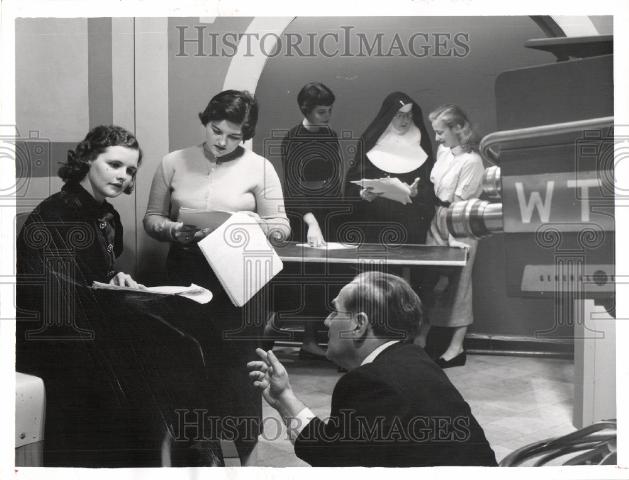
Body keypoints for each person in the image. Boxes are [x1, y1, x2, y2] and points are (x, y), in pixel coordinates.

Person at [143, 90, 290, 464]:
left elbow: (281, 226)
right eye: (216, 130)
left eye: (235, 136)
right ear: (205, 121)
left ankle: (245, 464)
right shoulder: (173, 162)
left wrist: (253, 224)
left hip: (241, 276)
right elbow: (151, 219)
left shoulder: (260, 168)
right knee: (185, 370)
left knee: (240, 376)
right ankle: (191, 460)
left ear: (246, 134)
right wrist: (174, 230)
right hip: (186, 275)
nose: (222, 141)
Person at [248, 272, 497, 467]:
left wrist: (285, 399)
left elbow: (330, 461)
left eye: (335, 312)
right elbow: (335, 448)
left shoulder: (370, 382)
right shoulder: (414, 358)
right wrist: (284, 396)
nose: (326, 321)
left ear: (359, 325)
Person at [414, 105, 485, 368]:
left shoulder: (473, 161)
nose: (437, 138)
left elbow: (458, 202)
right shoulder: (444, 152)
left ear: (457, 129)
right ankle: (422, 337)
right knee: (432, 281)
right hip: (439, 217)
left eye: (441, 132)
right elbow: (437, 190)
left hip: (461, 221)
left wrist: (453, 237)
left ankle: (456, 348)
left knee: (458, 285)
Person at [278, 82, 344, 359]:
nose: (327, 116)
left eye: (329, 110)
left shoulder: (330, 135)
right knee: (306, 278)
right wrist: (311, 222)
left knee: (326, 278)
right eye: (321, 111)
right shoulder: (291, 138)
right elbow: (292, 186)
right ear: (306, 110)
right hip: (302, 213)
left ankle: (316, 339)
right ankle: (297, 336)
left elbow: (334, 178)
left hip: (327, 211)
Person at [344, 91, 435, 246]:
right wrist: (362, 194)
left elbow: (430, 185)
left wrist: (417, 192)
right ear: (389, 115)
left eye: (408, 115)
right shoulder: (371, 141)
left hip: (409, 224)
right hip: (375, 222)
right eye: (399, 115)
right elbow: (352, 183)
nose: (405, 120)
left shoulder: (422, 143)